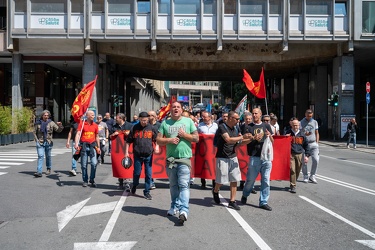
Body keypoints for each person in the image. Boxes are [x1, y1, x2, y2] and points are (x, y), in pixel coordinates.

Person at [156, 101, 199, 225]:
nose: (176, 109)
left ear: (181, 109)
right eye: (173, 107)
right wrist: (169, 140)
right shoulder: (165, 123)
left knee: (184, 185)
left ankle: (184, 211)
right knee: (173, 186)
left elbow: (196, 138)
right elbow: (158, 140)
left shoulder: (188, 121)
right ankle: (174, 205)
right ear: (170, 110)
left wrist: (184, 135)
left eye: (178, 107)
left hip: (185, 159)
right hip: (171, 160)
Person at [241, 108, 274, 211]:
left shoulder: (266, 126)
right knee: (250, 180)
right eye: (253, 113)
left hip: (266, 158)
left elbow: (272, 141)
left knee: (266, 180)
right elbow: (243, 142)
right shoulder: (248, 127)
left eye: (256, 113)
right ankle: (245, 194)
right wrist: (253, 138)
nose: (254, 115)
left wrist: (269, 136)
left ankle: (263, 201)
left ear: (260, 115)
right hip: (254, 157)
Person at [212, 111, 243, 210]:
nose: (238, 121)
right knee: (221, 180)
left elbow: (238, 142)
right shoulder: (222, 127)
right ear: (230, 118)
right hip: (222, 156)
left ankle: (232, 201)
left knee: (234, 179)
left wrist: (252, 138)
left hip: (233, 156)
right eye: (236, 119)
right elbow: (228, 139)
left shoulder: (236, 128)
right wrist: (242, 137)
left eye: (238, 119)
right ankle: (216, 190)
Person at [125, 112, 159, 200]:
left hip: (148, 155)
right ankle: (135, 185)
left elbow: (157, 139)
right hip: (137, 154)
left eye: (146, 120)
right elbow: (128, 141)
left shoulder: (151, 128)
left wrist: (157, 147)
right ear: (139, 119)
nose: (144, 122)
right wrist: (126, 153)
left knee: (148, 174)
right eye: (142, 120)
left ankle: (147, 192)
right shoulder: (134, 128)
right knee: (137, 173)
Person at [33, 110, 64, 177]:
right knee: (40, 156)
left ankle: (48, 168)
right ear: (42, 116)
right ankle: (39, 172)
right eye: (45, 115)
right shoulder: (38, 123)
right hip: (40, 142)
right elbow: (34, 132)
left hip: (48, 142)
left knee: (48, 156)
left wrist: (60, 125)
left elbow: (58, 130)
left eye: (47, 115)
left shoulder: (51, 123)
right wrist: (37, 140)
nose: (46, 117)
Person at [74, 110, 100, 187]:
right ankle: (85, 180)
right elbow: (78, 134)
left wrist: (98, 147)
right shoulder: (82, 124)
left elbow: (97, 136)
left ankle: (92, 179)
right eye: (92, 115)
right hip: (84, 146)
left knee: (94, 163)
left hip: (92, 146)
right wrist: (76, 144)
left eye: (94, 115)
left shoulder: (95, 125)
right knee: (84, 165)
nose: (93, 116)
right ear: (87, 116)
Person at [284, 118, 310, 193]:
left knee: (298, 170)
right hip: (291, 154)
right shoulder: (288, 133)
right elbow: (283, 143)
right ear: (291, 125)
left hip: (299, 154)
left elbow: (306, 145)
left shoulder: (302, 134)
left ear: (299, 125)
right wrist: (286, 137)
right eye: (294, 125)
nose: (295, 127)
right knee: (292, 170)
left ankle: (293, 181)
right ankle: (293, 185)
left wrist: (307, 156)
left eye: (297, 125)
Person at [110, 113, 133, 190]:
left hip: (128, 147)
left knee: (127, 163)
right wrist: (114, 134)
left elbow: (134, 135)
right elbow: (109, 136)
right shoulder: (114, 127)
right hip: (117, 149)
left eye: (117, 118)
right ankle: (120, 182)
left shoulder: (130, 126)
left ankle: (127, 182)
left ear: (121, 118)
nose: (115, 119)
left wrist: (129, 133)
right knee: (119, 164)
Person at [197, 111, 218, 189]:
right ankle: (203, 182)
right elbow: (197, 136)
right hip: (203, 149)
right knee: (203, 164)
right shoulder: (199, 126)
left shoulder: (216, 126)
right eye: (202, 116)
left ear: (209, 117)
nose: (203, 118)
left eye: (204, 116)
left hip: (213, 149)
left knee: (213, 165)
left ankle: (214, 182)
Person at [239, 113, 257, 194]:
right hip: (242, 149)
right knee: (242, 166)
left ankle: (251, 186)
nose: (248, 120)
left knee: (251, 169)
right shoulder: (242, 127)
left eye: (250, 119)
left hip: (251, 149)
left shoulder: (254, 126)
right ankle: (242, 182)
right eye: (247, 119)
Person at [300, 109, 320, 184]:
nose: (309, 117)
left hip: (313, 143)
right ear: (305, 114)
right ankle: (305, 176)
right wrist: (305, 134)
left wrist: (317, 143)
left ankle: (312, 176)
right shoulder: (301, 122)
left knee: (316, 160)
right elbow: (299, 133)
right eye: (308, 116)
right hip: (305, 144)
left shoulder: (315, 122)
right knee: (304, 161)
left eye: (310, 116)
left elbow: (317, 133)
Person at [148, 110, 161, 190]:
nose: (150, 117)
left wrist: (158, 145)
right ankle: (150, 182)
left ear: (156, 116)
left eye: (152, 115)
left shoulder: (159, 125)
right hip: (148, 147)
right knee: (149, 165)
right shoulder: (145, 125)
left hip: (158, 147)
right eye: (149, 115)